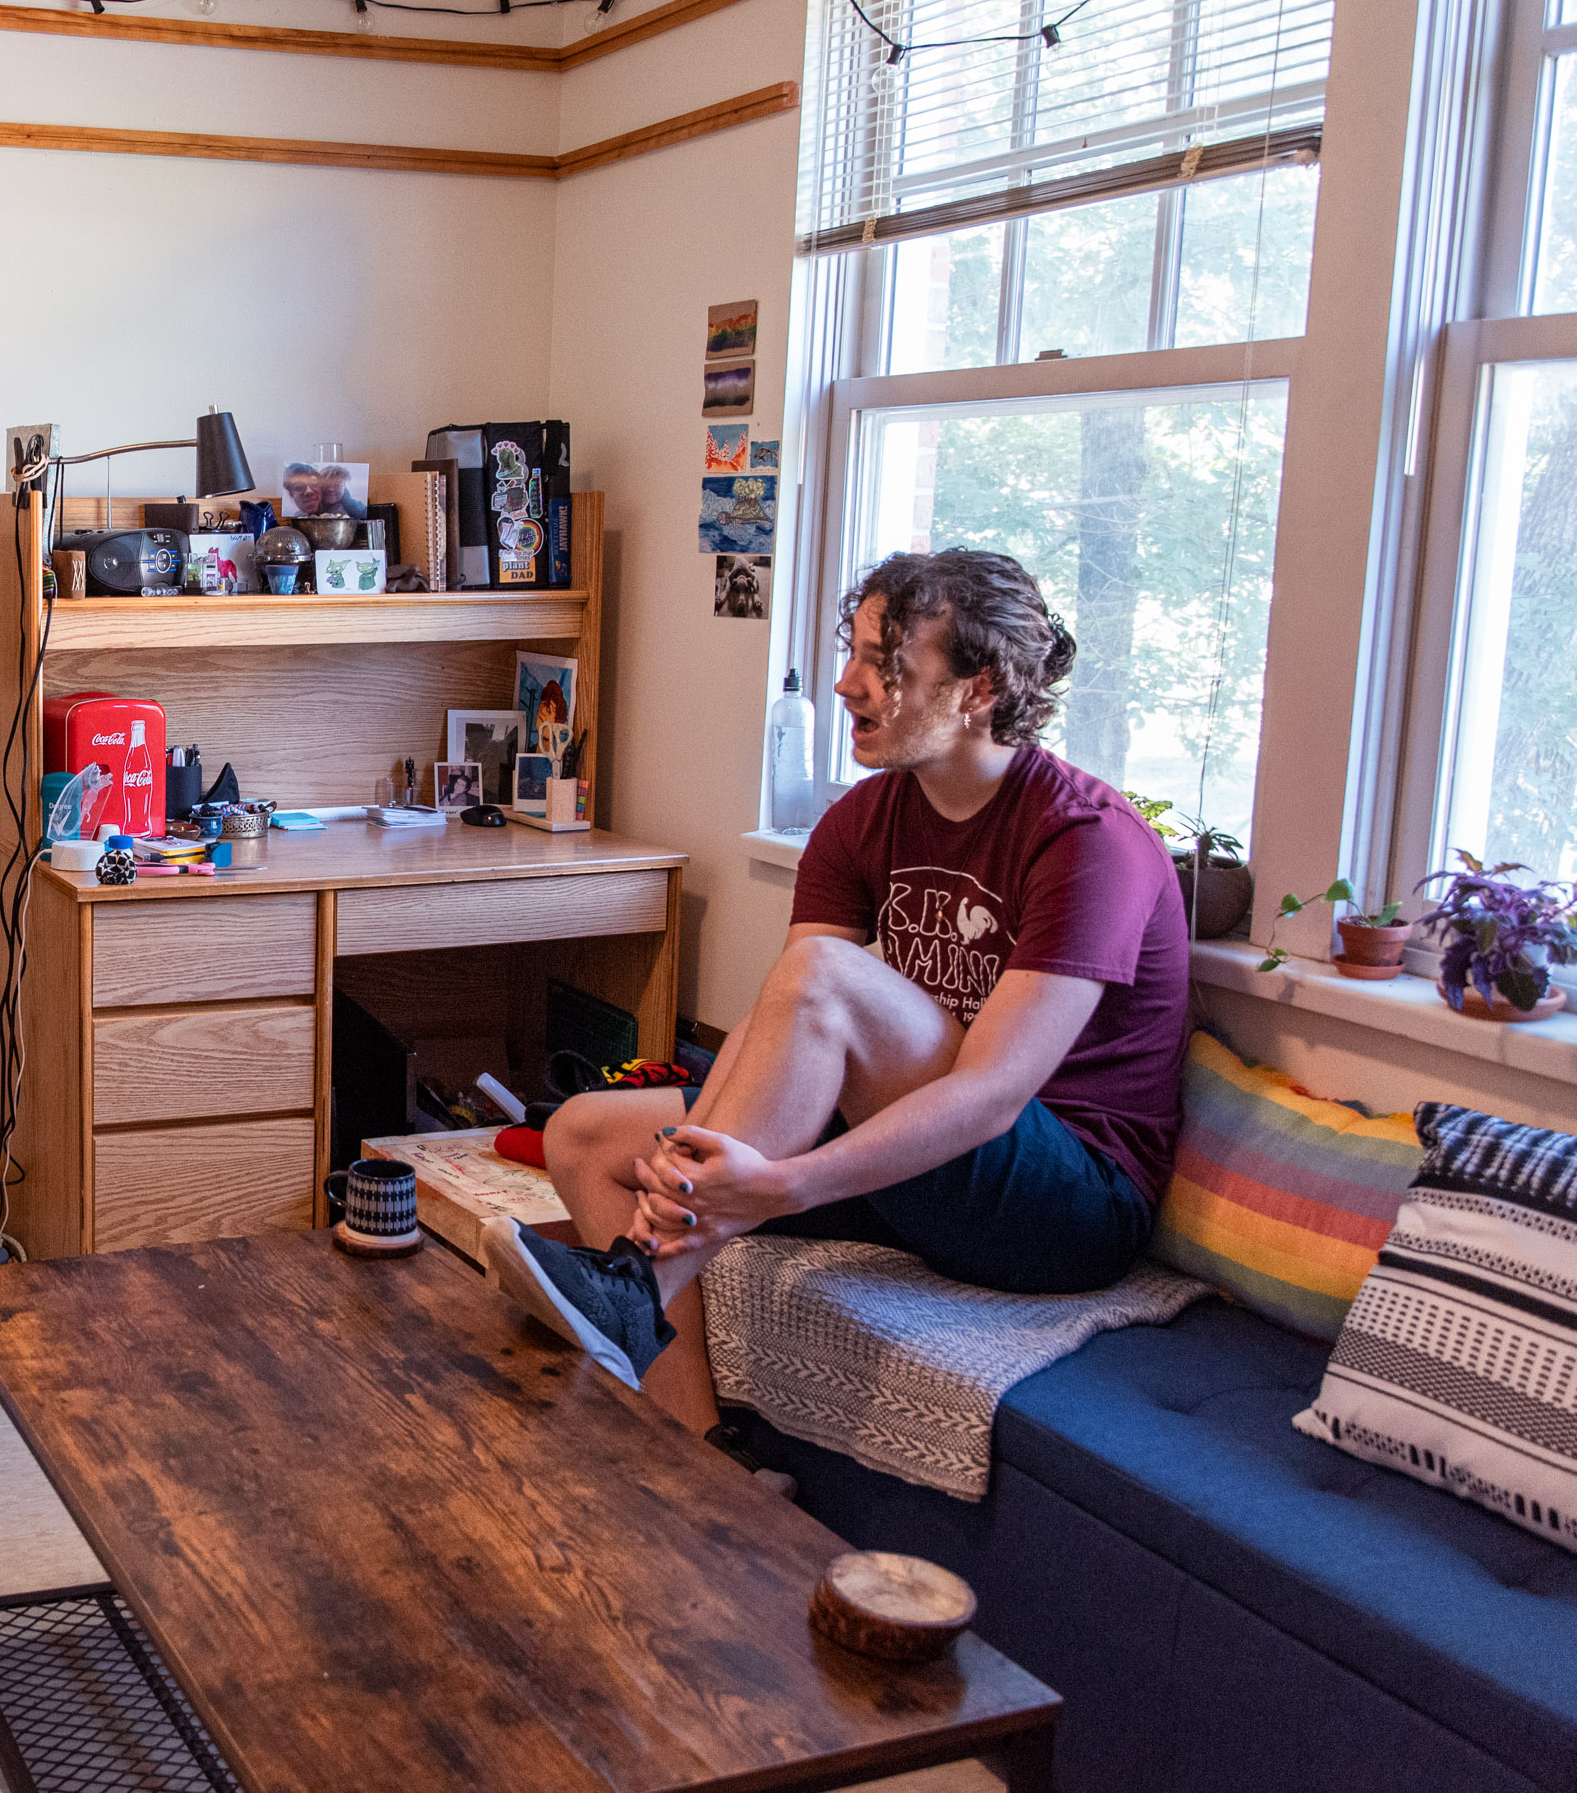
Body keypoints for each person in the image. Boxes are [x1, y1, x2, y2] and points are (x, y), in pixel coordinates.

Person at [487, 550, 1187, 1431]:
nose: (848, 684)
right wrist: (703, 1148)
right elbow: (782, 1007)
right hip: (920, 1156)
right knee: (586, 1132)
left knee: (833, 978)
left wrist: (782, 1185)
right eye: (852, 652)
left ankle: (635, 1282)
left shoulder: (1088, 841)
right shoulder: (862, 819)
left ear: (980, 689)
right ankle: (705, 1458)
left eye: (886, 666)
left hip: (1064, 1200)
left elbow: (991, 1095)